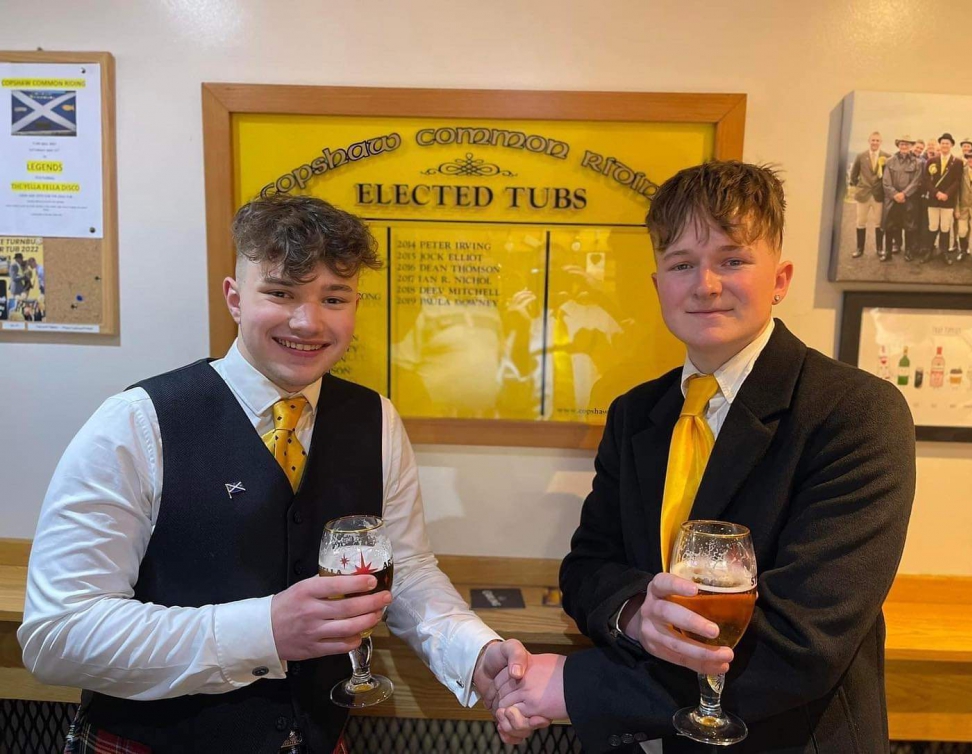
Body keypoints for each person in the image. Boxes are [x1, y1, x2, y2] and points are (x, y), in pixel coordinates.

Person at [19, 195, 532, 753]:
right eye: (281, 293)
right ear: (235, 299)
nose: (308, 322)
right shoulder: (136, 422)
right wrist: (265, 631)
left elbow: (402, 570)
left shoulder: (377, 418)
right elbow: (58, 636)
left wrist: (474, 652)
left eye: (333, 298)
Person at [493, 161, 916, 753]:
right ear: (658, 285)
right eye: (682, 264)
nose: (706, 284)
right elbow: (588, 568)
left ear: (780, 279)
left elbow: (802, 644)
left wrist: (576, 687)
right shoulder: (635, 412)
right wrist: (637, 614)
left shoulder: (856, 412)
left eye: (733, 260)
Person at [922, 132, 962, 265]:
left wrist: (947, 194)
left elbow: (957, 181)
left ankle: (944, 252)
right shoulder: (931, 161)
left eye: (947, 143)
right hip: (933, 199)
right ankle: (929, 250)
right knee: (932, 226)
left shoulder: (957, 162)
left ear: (951, 145)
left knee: (945, 227)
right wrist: (936, 193)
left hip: (947, 200)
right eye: (943, 143)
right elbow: (926, 180)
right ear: (940, 145)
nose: (945, 145)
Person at [880, 135, 922, 261]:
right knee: (889, 227)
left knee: (909, 227)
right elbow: (886, 182)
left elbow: (916, 181)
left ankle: (908, 252)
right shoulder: (890, 161)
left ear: (911, 146)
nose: (904, 146)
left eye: (907, 144)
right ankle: (887, 252)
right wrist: (895, 195)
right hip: (892, 200)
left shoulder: (917, 163)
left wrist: (904, 194)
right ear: (898, 145)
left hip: (909, 200)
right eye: (902, 144)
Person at [848, 131, 888, 258]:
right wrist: (860, 186)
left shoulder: (886, 156)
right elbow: (853, 175)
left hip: (878, 195)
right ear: (869, 141)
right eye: (873, 140)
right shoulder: (861, 156)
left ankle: (879, 249)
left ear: (881, 142)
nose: (875, 142)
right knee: (861, 222)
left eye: (877, 140)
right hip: (863, 194)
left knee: (879, 222)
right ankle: (859, 249)